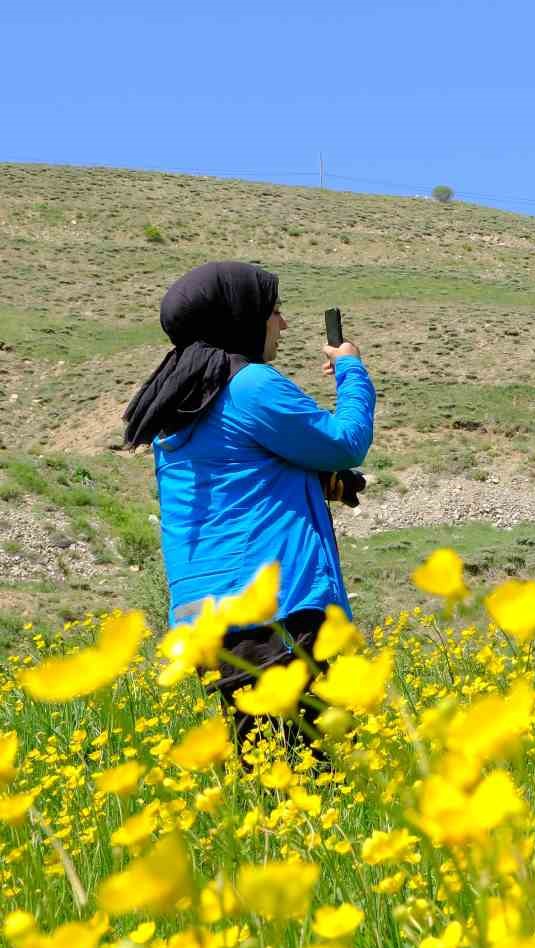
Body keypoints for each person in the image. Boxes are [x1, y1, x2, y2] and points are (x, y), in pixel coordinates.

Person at [123, 260, 375, 744]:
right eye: (274, 310)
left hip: (209, 621)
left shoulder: (181, 399)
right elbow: (345, 441)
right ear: (239, 317)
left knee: (269, 772)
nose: (282, 322)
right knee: (316, 773)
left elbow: (236, 475)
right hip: (278, 608)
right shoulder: (250, 384)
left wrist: (318, 482)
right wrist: (351, 371)